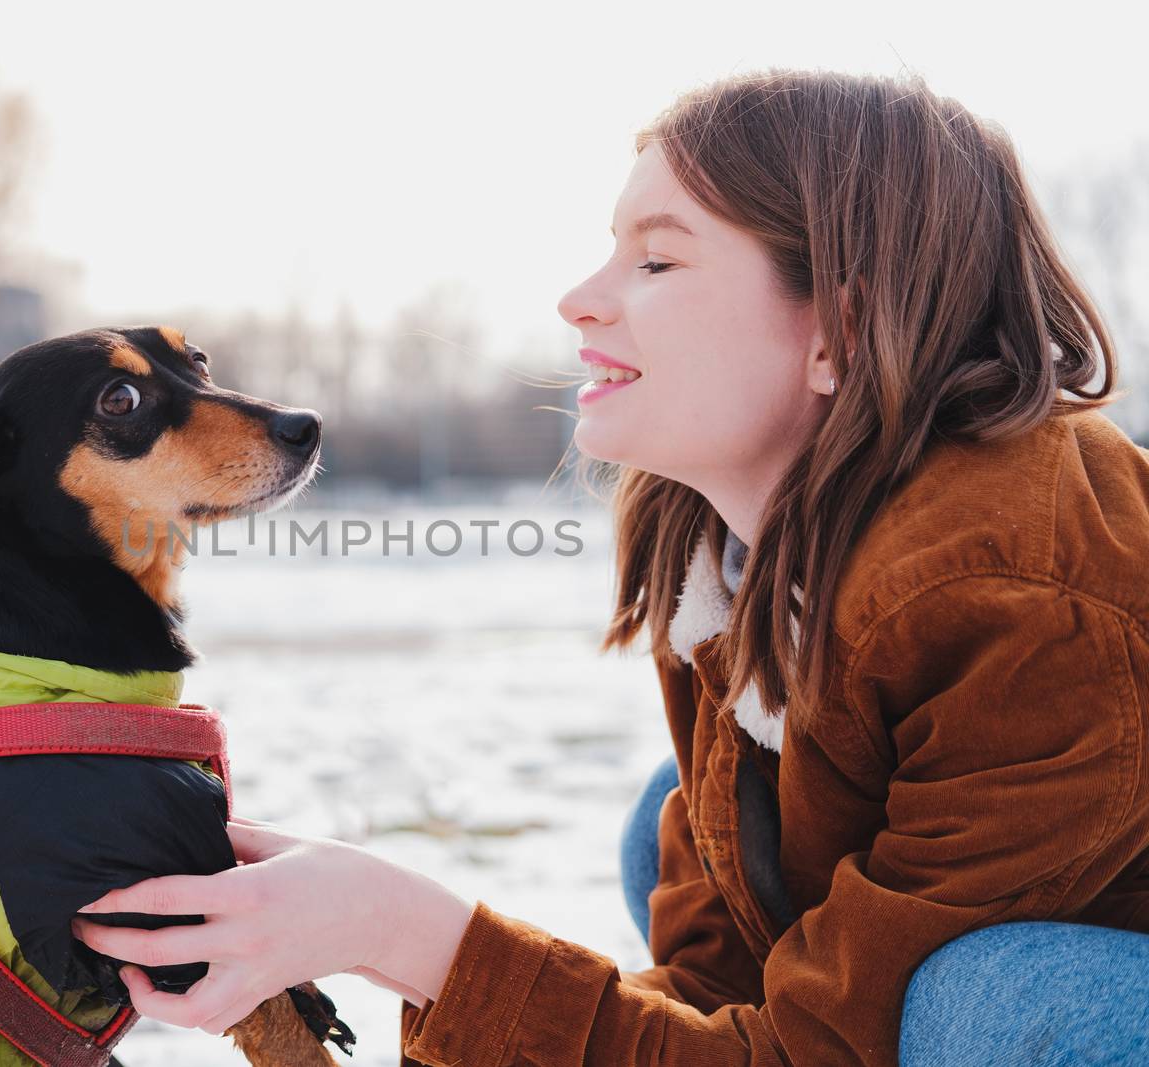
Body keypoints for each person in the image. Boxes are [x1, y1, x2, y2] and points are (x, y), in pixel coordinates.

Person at [70, 68, 1149, 1065]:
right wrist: (379, 936)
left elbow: (801, 1054)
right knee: (670, 819)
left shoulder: (1012, 596)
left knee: (994, 1000)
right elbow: (716, 998)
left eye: (656, 260)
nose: (579, 299)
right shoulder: (742, 563)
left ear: (843, 326)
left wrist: (410, 931)